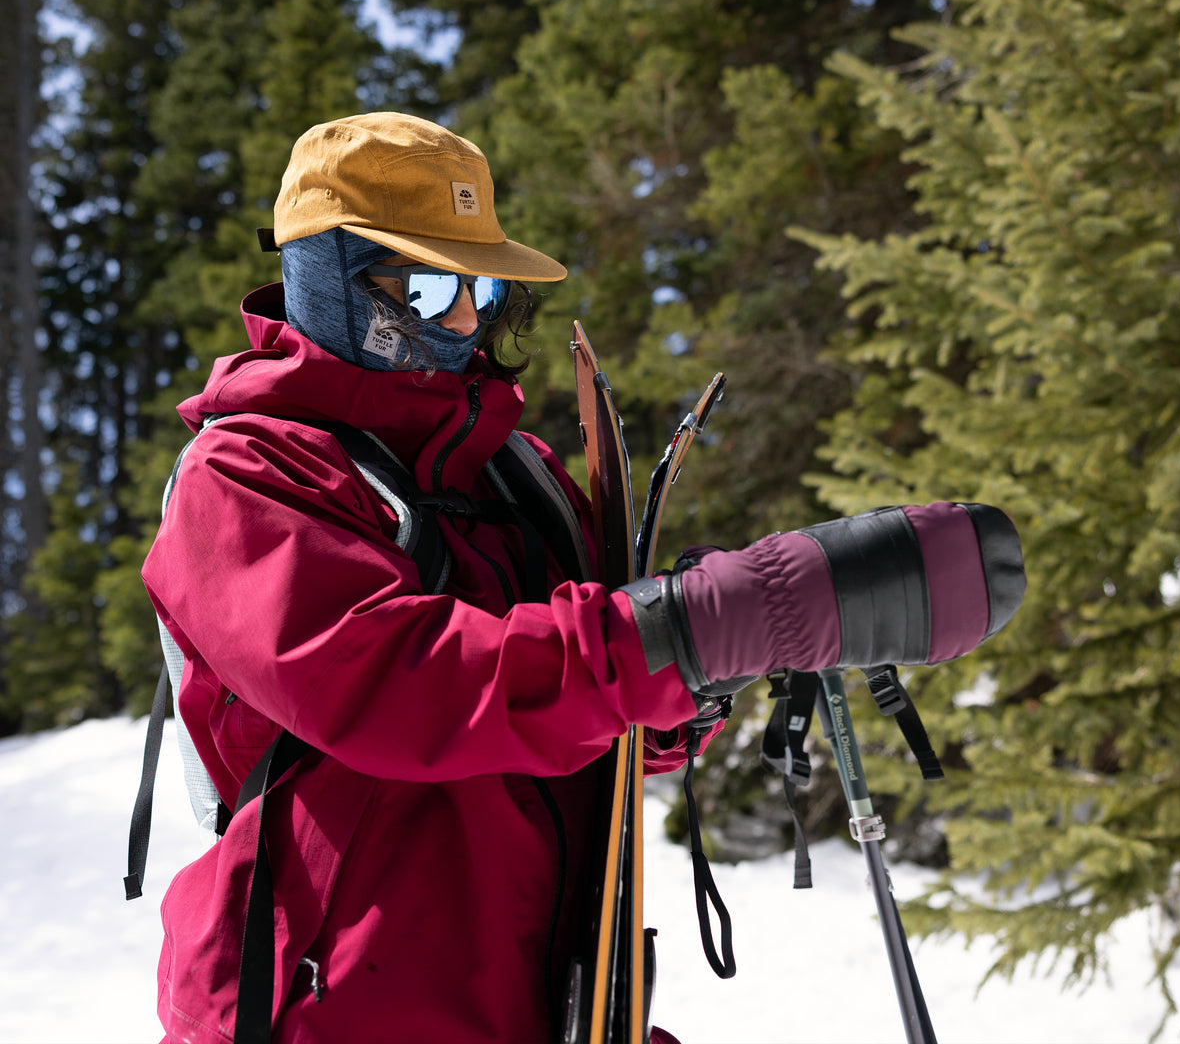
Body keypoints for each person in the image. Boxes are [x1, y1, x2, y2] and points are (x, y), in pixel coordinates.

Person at [141, 112, 1025, 1044]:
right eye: (434, 285)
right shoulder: (246, 476)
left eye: (482, 286)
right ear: (324, 275)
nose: (467, 321)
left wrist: (694, 681)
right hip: (329, 1011)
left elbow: (599, 723)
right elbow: (405, 687)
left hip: (546, 995)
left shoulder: (514, 472)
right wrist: (693, 628)